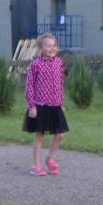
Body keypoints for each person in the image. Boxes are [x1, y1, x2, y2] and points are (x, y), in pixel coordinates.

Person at [22, 33, 68, 176]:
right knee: (40, 136)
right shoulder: (35, 65)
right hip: (40, 106)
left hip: (55, 105)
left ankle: (50, 159)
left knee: (60, 134)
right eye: (48, 46)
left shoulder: (59, 63)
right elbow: (29, 87)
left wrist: (61, 103)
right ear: (40, 48)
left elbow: (60, 84)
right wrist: (32, 106)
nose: (52, 48)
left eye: (54, 45)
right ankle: (36, 166)